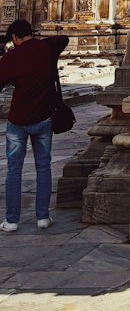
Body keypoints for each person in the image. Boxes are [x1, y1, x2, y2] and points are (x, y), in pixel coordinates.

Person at [0, 19, 68, 231]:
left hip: (18, 120)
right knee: (43, 166)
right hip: (43, 118)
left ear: (14, 38)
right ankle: (42, 217)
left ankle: (11, 221)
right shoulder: (46, 49)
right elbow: (63, 39)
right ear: (31, 32)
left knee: (14, 170)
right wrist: (38, 42)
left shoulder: (11, 57)